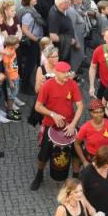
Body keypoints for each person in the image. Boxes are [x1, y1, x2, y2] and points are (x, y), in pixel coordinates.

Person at [31, 60, 83, 191]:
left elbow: (80, 105)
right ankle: (39, 175)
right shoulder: (47, 86)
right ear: (56, 72)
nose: (67, 75)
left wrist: (73, 125)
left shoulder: (72, 84)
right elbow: (38, 107)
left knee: (76, 153)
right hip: (50, 125)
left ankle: (75, 178)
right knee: (43, 154)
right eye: (64, 73)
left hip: (69, 125)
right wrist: (53, 115)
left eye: (68, 72)